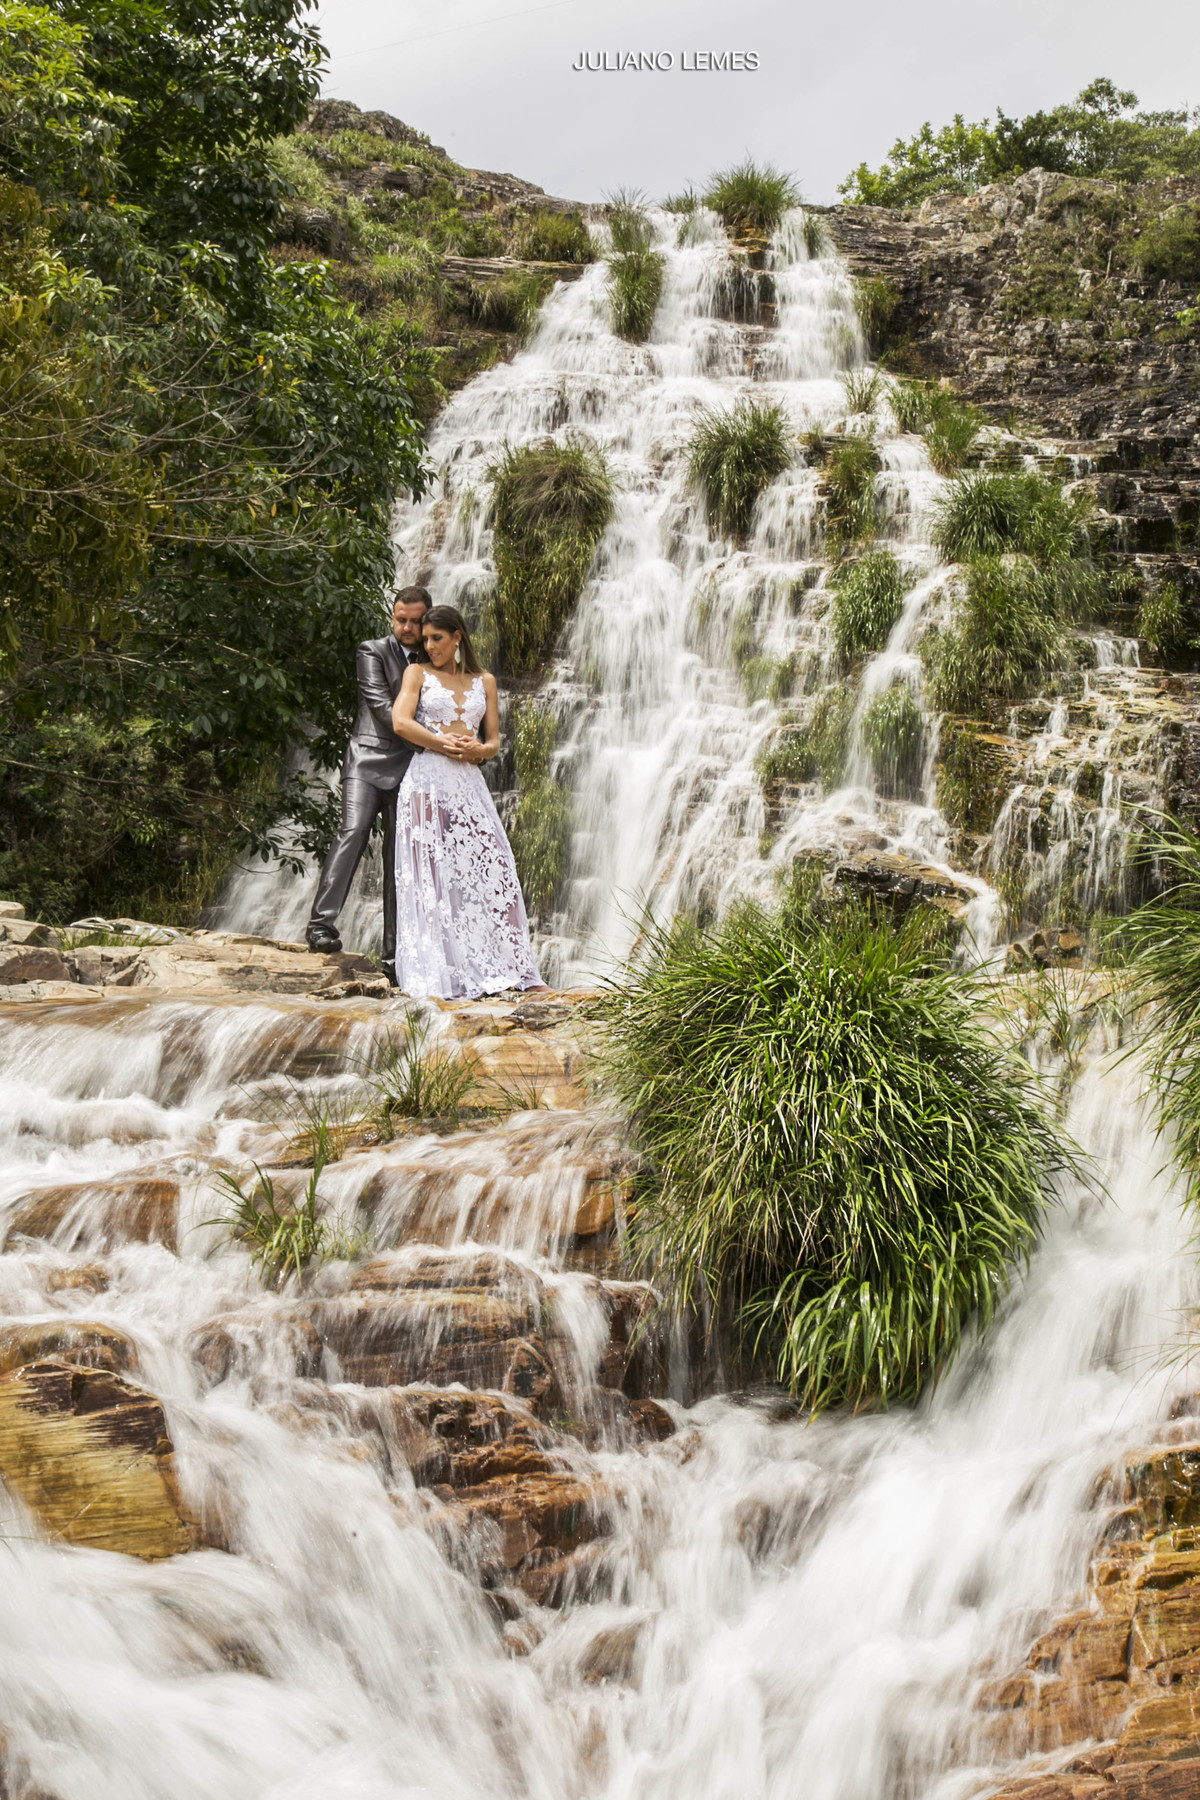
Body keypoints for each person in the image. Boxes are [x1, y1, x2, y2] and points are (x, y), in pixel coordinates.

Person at [391, 604, 546, 999]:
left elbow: (494, 740)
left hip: (468, 782)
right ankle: (440, 974)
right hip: (426, 780)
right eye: (425, 639)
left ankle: (511, 965)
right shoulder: (417, 673)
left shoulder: (486, 681)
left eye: (436, 638)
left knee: (495, 865)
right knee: (433, 875)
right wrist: (442, 742)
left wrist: (480, 749)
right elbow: (401, 722)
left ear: (457, 636)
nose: (428, 646)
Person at [305, 586, 431, 981]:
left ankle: (394, 958)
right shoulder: (371, 650)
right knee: (353, 832)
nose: (407, 627)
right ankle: (320, 925)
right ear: (392, 617)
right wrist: (436, 744)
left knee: (400, 860)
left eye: (415, 620)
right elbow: (380, 707)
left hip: (411, 767)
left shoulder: (436, 657)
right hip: (368, 760)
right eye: (401, 619)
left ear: (426, 619)